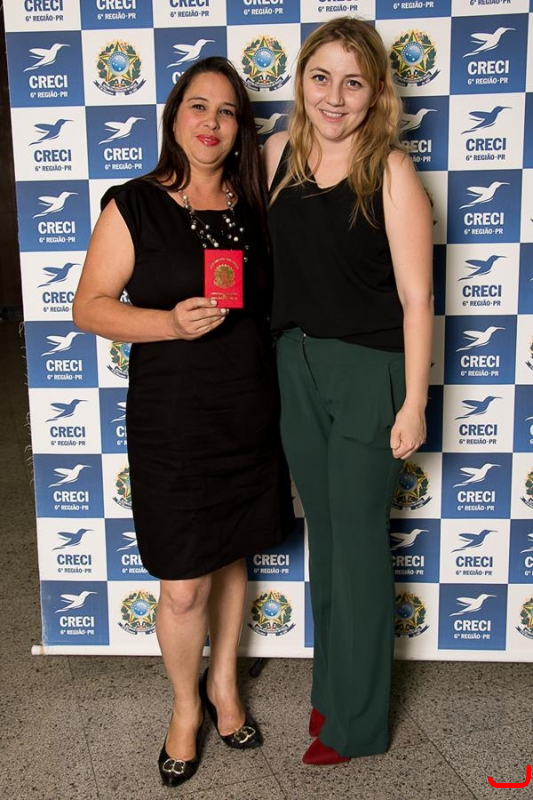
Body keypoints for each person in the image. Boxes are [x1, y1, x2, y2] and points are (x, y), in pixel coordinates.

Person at [73, 56, 293, 787]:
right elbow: (88, 307)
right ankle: (184, 706)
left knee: (231, 557)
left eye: (227, 111)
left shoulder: (255, 206)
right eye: (198, 106)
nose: (211, 122)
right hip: (171, 419)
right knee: (183, 583)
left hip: (249, 410)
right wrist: (167, 322)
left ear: (240, 129)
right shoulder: (134, 204)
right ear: (174, 118)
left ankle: (224, 685)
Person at [263, 17, 433, 764]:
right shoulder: (274, 155)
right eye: (321, 77)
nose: (334, 96)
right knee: (327, 541)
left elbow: (417, 300)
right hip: (292, 363)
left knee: (359, 547)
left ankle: (357, 725)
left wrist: (413, 402)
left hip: (368, 372)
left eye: (353, 81)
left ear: (376, 93)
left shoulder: (388, 170)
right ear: (302, 80)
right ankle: (331, 694)